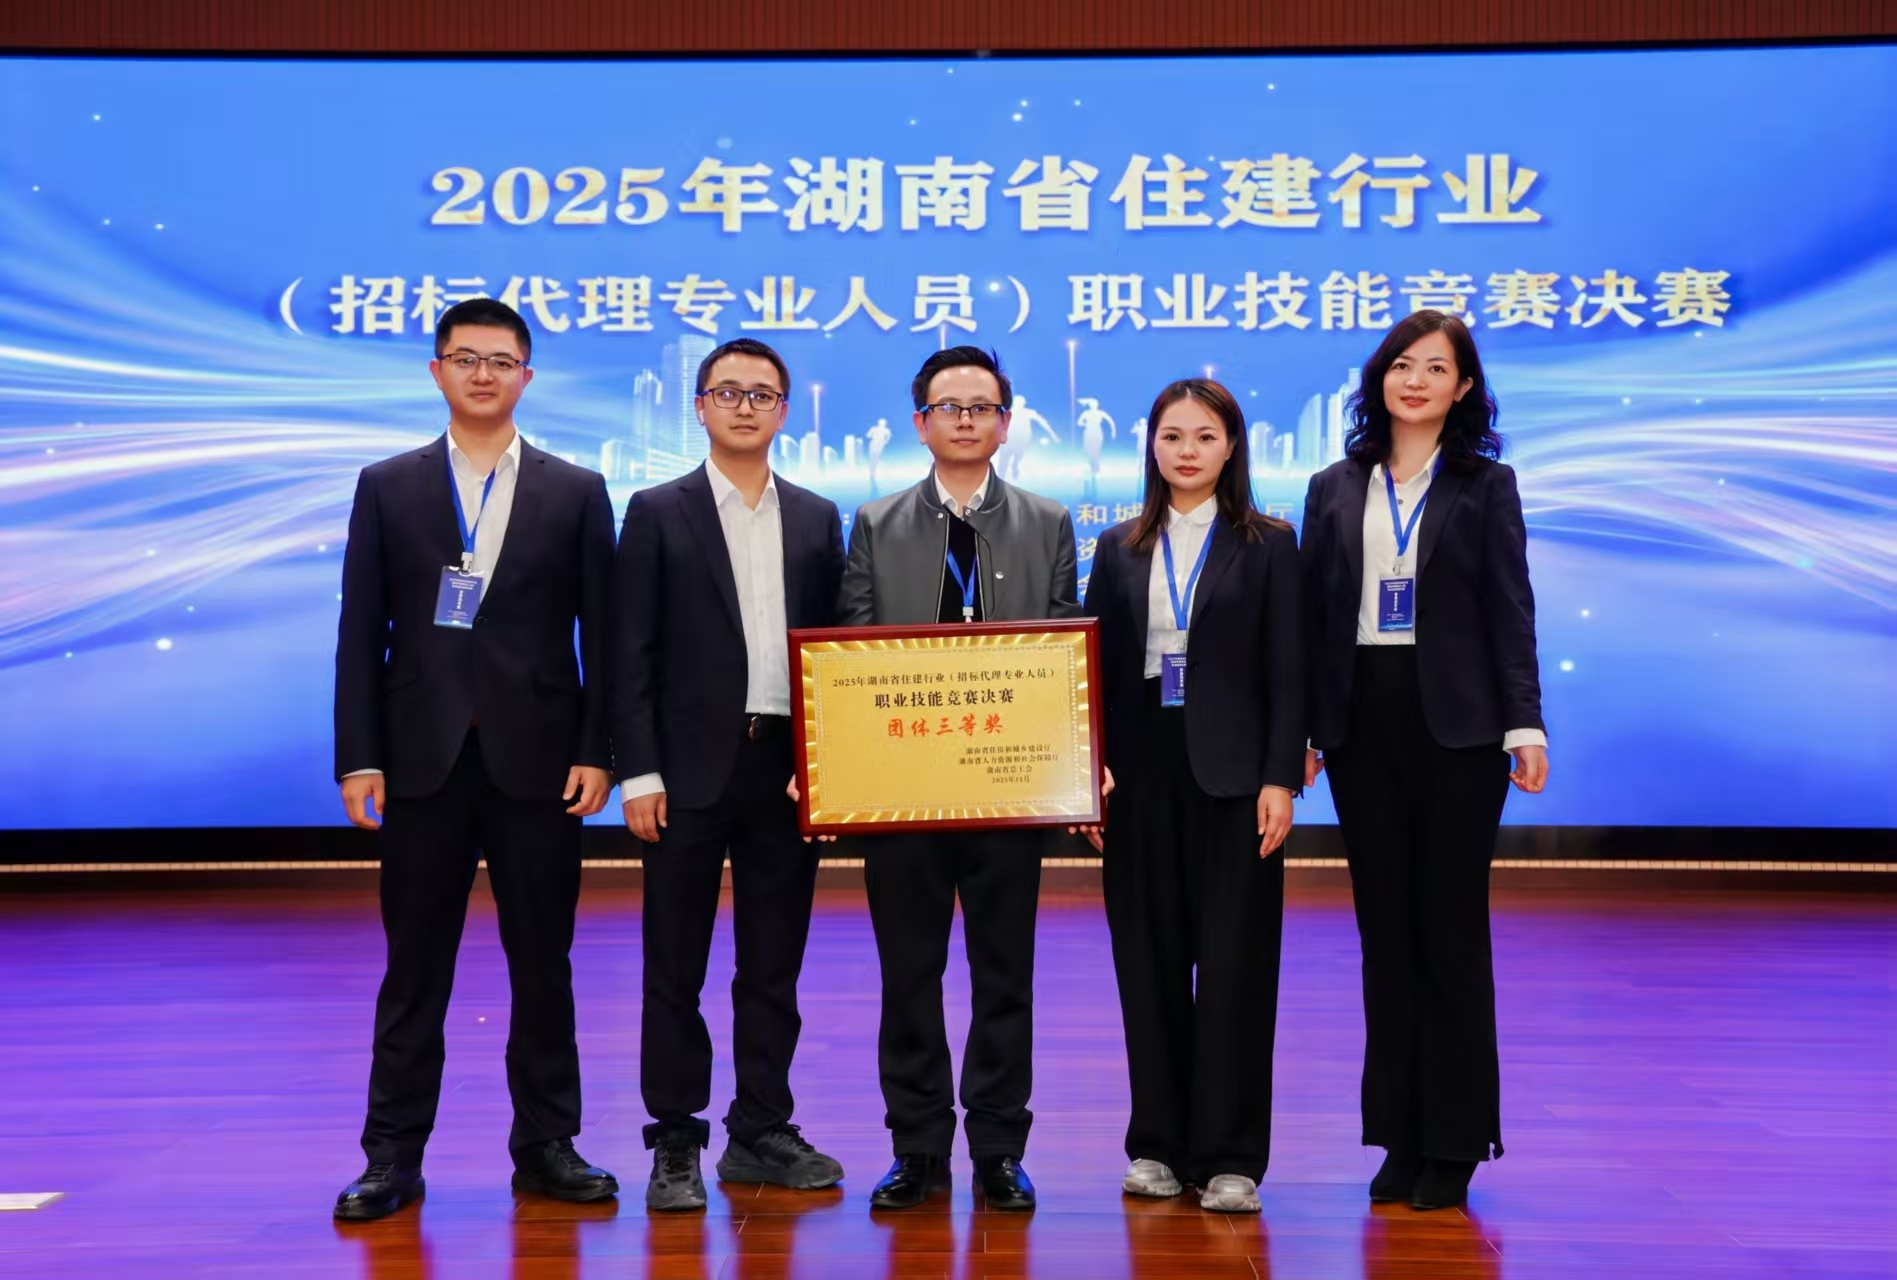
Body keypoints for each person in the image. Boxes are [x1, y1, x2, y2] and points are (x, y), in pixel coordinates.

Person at [332, 297, 618, 1221]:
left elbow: (604, 637)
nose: (483, 374)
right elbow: (360, 631)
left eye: (501, 360)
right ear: (437, 371)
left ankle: (548, 1146)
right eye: (465, 358)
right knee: (414, 968)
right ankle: (390, 1157)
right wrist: (358, 757)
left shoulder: (576, 490)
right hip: (421, 761)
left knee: (543, 964)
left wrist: (598, 751)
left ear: (526, 377)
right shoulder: (388, 485)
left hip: (540, 762)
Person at [1300, 310, 1549, 1212]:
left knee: (1449, 930)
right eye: (1400, 364)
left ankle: (1455, 1140)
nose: (1414, 380)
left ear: (1463, 387)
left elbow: (1509, 609)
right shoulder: (1333, 486)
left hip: (1460, 728)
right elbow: (1313, 616)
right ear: (1379, 378)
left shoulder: (1486, 485)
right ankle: (1399, 1135)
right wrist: (1304, 728)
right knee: (1385, 934)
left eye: (1435, 368)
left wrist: (1525, 724)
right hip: (1360, 720)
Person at [838, 346, 1080, 1213]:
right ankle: (916, 1148)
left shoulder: (1048, 522)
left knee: (1003, 975)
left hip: (1008, 789)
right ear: (920, 423)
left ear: (1005, 425)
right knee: (908, 976)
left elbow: (1063, 651)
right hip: (902, 791)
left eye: (982, 407)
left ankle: (999, 1149)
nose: (966, 419)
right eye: (949, 407)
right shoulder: (875, 523)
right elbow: (852, 655)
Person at [611, 338, 847, 1212]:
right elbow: (628, 650)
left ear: (784, 411)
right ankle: (675, 1136)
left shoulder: (818, 517)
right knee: (674, 964)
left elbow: (837, 653)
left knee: (772, 965)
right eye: (728, 392)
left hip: (784, 771)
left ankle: (760, 1130)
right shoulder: (656, 511)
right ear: (701, 406)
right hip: (683, 771)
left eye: (762, 394)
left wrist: (827, 765)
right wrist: (637, 770)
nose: (745, 407)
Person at [1080, 378, 1302, 1214]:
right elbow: (1090, 670)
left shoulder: (1269, 543)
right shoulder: (1118, 546)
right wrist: (1089, 777)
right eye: (1171, 435)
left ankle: (1231, 1155)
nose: (1186, 450)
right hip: (1139, 771)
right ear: (1151, 446)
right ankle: (1157, 1147)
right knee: (1148, 962)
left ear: (1231, 447)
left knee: (1237, 965)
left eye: (1204, 436)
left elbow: (1289, 668)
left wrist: (1280, 776)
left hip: (1235, 775)